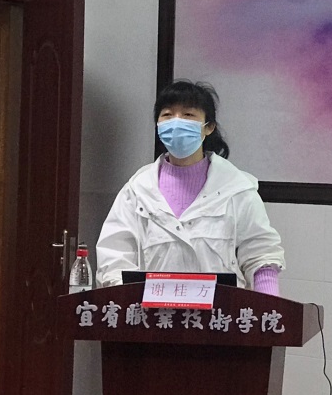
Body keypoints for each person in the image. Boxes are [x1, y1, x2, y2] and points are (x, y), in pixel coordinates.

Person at [96, 80, 284, 294]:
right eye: (167, 115)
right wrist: (125, 298)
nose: (176, 122)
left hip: (220, 311)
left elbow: (261, 255)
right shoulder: (138, 189)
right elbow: (114, 257)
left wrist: (271, 304)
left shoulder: (236, 188)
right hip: (150, 311)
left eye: (188, 115)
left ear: (209, 127)